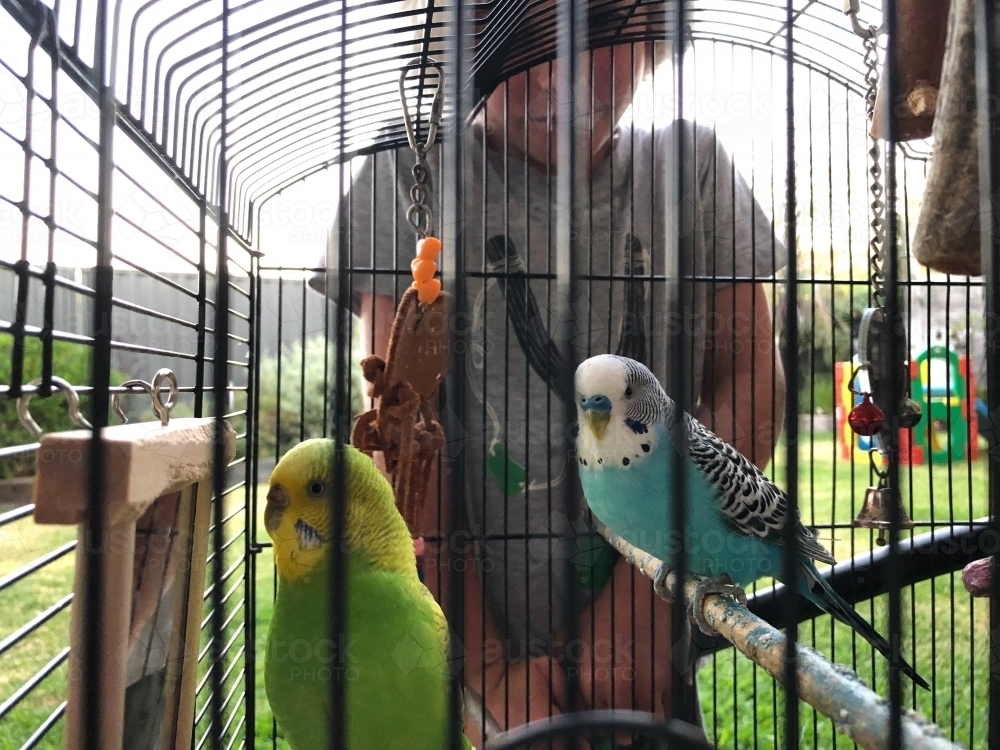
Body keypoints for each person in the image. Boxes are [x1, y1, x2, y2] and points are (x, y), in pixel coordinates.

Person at [312, 21, 786, 748]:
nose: (554, 75)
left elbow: (750, 382)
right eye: (518, 33)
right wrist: (489, 666)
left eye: (597, 26)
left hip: (643, 649)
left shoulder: (690, 166)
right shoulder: (406, 167)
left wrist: (641, 608)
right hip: (456, 652)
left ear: (660, 36)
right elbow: (400, 436)